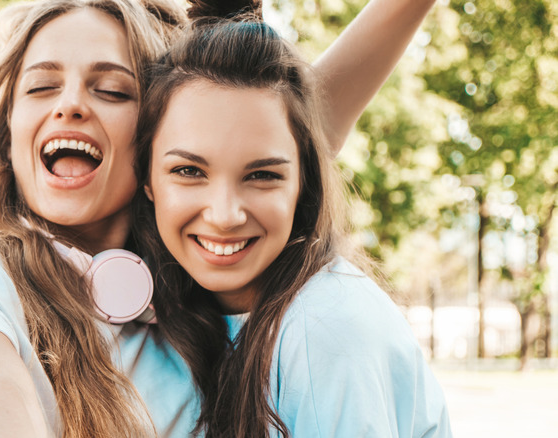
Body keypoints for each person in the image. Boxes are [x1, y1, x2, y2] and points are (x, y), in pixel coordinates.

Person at [0, 0, 439, 436]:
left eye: (111, 89)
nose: (71, 104)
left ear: (157, 141)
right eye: (41, 86)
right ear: (8, 132)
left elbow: (275, 123)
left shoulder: (195, 267)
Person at [132, 8, 452, 438]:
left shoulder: (324, 329)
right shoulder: (187, 311)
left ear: (303, 184)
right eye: (189, 171)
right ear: (147, 180)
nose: (225, 215)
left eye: (262, 175)